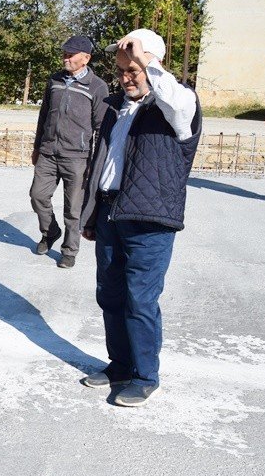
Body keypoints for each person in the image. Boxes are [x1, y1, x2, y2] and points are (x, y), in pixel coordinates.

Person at [79, 29, 201, 407]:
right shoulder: (119, 107)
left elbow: (179, 104)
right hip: (111, 212)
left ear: (153, 65)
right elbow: (104, 164)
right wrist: (91, 212)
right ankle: (120, 365)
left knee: (140, 299)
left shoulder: (177, 107)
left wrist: (146, 60)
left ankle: (145, 375)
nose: (127, 77)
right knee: (110, 296)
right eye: (121, 71)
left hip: (150, 220)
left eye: (133, 69)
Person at [30, 35, 110, 268]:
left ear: (86, 58)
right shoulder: (54, 80)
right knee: (38, 196)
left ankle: (69, 250)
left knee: (73, 209)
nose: (66, 57)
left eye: (71, 54)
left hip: (77, 157)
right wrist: (37, 147)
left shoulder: (97, 87)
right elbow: (43, 116)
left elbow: (101, 128)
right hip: (48, 152)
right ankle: (50, 231)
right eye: (65, 53)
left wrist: (95, 162)